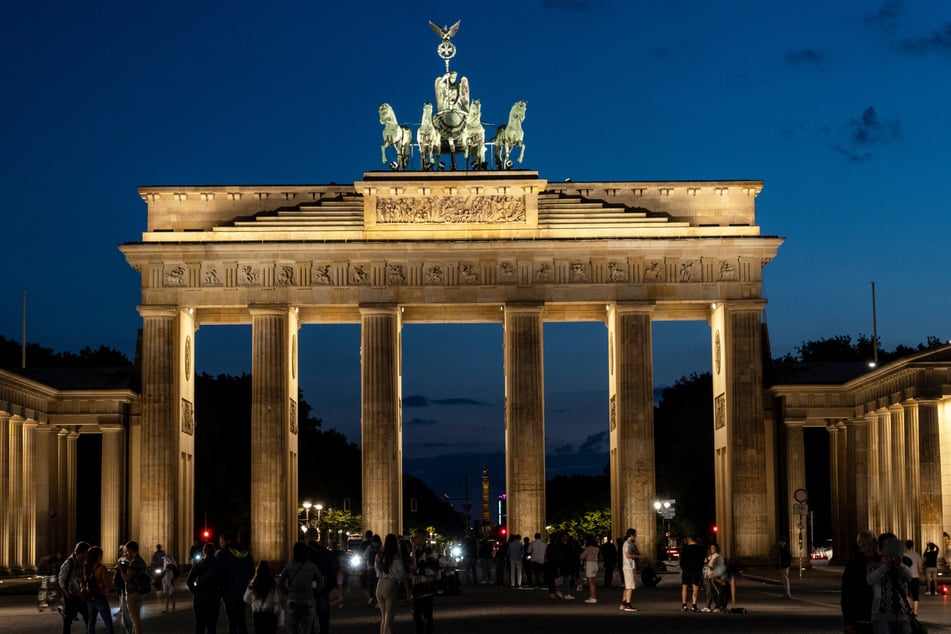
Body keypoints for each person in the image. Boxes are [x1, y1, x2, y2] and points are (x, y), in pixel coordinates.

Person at [202, 532, 255, 634]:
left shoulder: (223, 554)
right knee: (242, 619)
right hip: (243, 591)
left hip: (229, 592)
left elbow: (215, 572)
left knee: (232, 621)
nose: (221, 545)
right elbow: (252, 573)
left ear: (227, 542)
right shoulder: (247, 555)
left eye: (222, 543)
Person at [867, 532, 912, 633]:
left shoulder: (902, 563)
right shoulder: (875, 563)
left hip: (901, 614)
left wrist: (899, 565)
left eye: (893, 544)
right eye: (887, 545)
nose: (890, 548)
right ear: (881, 549)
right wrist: (885, 567)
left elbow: (909, 577)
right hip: (881, 615)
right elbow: (870, 580)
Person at [280, 542, 324, 634]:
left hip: (293, 600)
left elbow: (280, 583)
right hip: (308, 599)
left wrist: (287, 592)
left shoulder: (289, 567)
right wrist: (315, 592)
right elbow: (320, 581)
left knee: (292, 629)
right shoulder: (312, 567)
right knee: (306, 630)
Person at [842, 529, 878, 634]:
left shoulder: (884, 562)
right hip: (861, 618)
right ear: (859, 547)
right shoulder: (853, 567)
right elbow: (847, 596)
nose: (870, 547)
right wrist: (849, 622)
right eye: (865, 544)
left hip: (882, 618)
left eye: (873, 543)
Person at [304, 526, 338, 634]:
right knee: (323, 618)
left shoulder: (302, 552)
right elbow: (332, 569)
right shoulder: (324, 551)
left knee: (308, 619)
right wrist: (330, 586)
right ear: (317, 537)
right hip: (322, 588)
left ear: (306, 537)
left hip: (306, 589)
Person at [187, 543, 221, 634]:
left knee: (200, 625)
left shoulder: (199, 564)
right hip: (213, 597)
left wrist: (196, 591)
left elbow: (189, 581)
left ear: (204, 551)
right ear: (214, 552)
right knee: (212, 626)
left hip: (200, 598)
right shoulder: (219, 565)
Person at [375, 533, 405, 634]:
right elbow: (400, 572)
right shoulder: (396, 555)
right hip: (390, 584)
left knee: (383, 617)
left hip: (380, 584)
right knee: (389, 620)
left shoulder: (379, 555)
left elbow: (377, 570)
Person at [58, 541, 91, 633]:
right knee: (68, 619)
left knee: (87, 615)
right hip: (70, 595)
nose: (87, 555)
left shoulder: (81, 563)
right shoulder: (68, 564)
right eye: (86, 553)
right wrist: (67, 596)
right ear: (82, 552)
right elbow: (61, 581)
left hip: (79, 595)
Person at [410, 529, 438, 634]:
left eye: (416, 537)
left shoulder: (429, 552)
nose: (414, 540)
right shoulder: (416, 552)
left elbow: (433, 570)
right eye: (413, 538)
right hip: (418, 588)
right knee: (416, 615)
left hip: (426, 587)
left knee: (426, 615)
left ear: (423, 539)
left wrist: (416, 570)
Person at [82, 545, 114, 634]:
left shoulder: (86, 567)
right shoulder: (101, 568)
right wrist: (110, 575)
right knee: (108, 623)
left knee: (91, 623)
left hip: (89, 597)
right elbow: (109, 583)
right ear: (98, 556)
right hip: (100, 597)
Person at [244, 560, 281, 634]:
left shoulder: (253, 583)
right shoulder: (273, 583)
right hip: (270, 614)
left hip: (257, 614)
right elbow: (277, 599)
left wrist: (254, 602)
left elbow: (246, 599)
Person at [119, 540, 149, 634]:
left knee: (135, 620)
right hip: (139, 592)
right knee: (135, 618)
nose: (126, 553)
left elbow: (127, 578)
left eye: (127, 551)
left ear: (131, 550)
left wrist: (121, 570)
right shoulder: (141, 561)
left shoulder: (135, 562)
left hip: (132, 593)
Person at [680, 534, 705, 612]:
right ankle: (694, 605)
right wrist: (700, 568)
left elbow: (681, 559)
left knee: (684, 587)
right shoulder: (699, 548)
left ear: (689, 539)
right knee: (695, 588)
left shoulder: (685, 548)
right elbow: (702, 559)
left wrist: (683, 566)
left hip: (686, 570)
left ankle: (684, 605)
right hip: (695, 570)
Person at [620, 528, 639, 612]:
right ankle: (628, 604)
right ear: (631, 535)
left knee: (627, 586)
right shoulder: (627, 544)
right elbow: (628, 555)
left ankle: (623, 603)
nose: (636, 536)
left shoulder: (629, 543)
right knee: (630, 586)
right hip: (628, 567)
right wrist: (637, 556)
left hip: (628, 566)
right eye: (635, 534)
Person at [702, 542, 724, 612]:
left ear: (716, 549)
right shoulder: (710, 556)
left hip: (714, 577)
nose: (711, 549)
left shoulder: (717, 556)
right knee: (709, 592)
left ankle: (716, 606)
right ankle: (709, 605)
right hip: (708, 576)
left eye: (713, 548)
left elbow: (715, 566)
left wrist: (708, 564)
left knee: (714, 592)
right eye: (711, 548)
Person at [902, 539, 922, 615]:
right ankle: (916, 611)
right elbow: (920, 567)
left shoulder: (903, 555)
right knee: (915, 595)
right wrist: (921, 575)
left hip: (906, 577)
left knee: (907, 594)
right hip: (915, 576)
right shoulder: (917, 554)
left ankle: (910, 609)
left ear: (905, 546)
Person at [580, 535, 599, 603]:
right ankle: (592, 596)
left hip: (590, 564)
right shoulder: (596, 548)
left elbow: (582, 556)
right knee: (593, 582)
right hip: (595, 564)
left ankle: (593, 597)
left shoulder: (588, 549)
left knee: (591, 583)